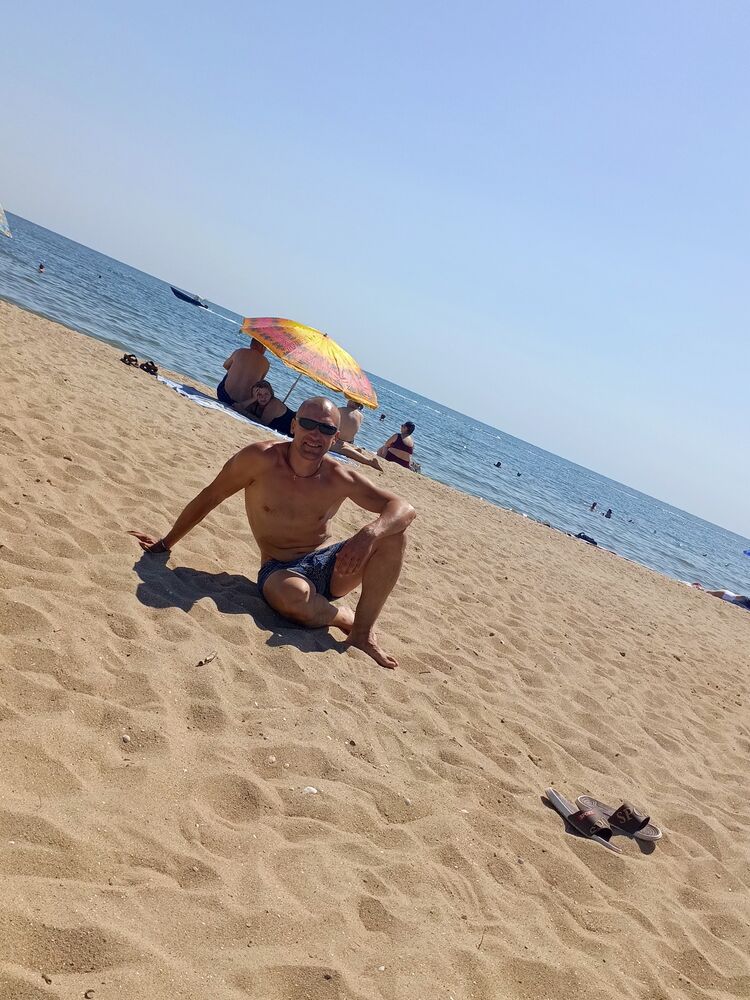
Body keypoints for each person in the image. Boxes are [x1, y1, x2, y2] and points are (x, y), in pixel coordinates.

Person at [130, 397, 416, 668]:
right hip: (279, 570)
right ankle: (344, 617)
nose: (315, 435)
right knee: (293, 596)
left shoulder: (339, 477)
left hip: (329, 566)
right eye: (308, 424)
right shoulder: (260, 459)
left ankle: (362, 634)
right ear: (293, 425)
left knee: (394, 534)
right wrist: (166, 543)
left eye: (326, 429)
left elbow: (404, 508)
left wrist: (370, 533)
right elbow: (211, 495)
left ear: (336, 438)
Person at [330, 398, 382, 470]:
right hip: (349, 441)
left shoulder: (341, 409)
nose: (348, 400)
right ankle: (354, 450)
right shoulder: (361, 416)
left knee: (338, 447)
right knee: (341, 444)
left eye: (349, 399)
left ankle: (369, 462)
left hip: (337, 438)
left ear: (352, 402)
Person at [217, 340, 269, 410]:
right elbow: (259, 383)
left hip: (223, 396)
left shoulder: (240, 351)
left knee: (231, 367)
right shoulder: (266, 363)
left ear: (251, 344)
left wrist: (236, 370)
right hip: (243, 403)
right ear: (263, 347)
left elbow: (225, 365)